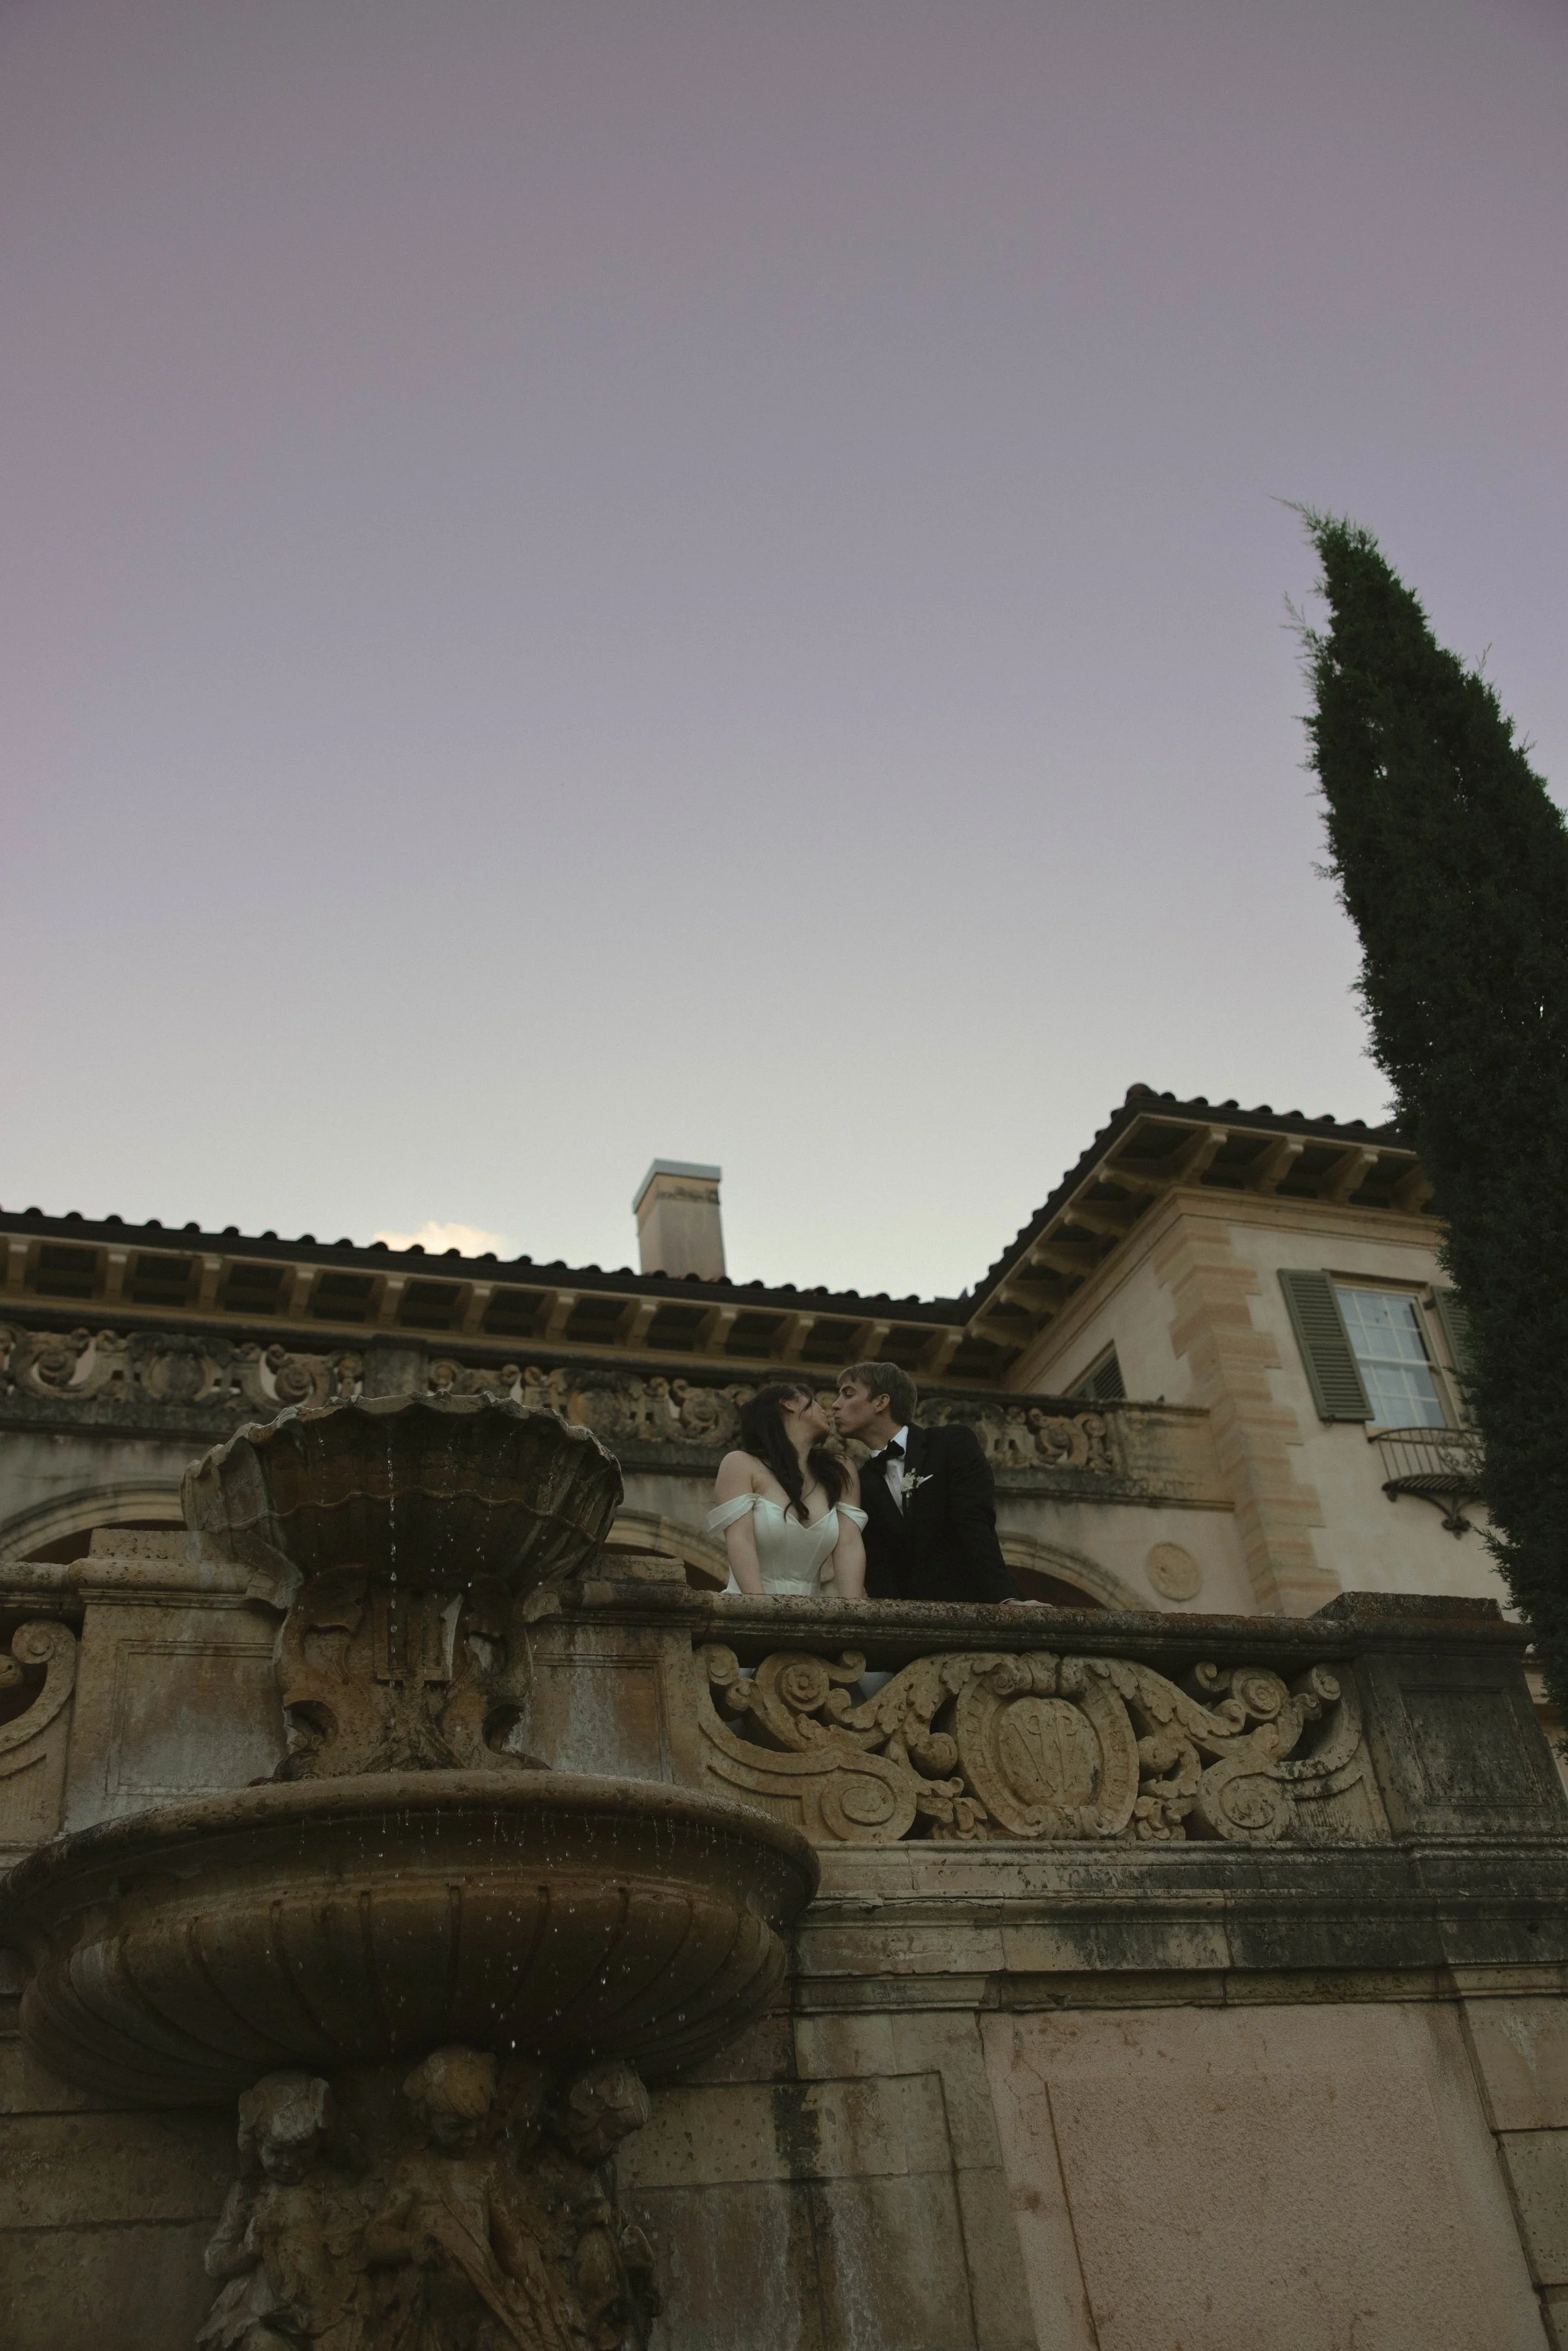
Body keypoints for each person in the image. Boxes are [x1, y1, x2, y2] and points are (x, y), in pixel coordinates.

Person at [832, 1359, 1026, 1605]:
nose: (835, 1405)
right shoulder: (861, 1482)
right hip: (914, 1627)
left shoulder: (950, 1444)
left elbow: (976, 1525)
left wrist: (1006, 1598)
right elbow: (879, 1569)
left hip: (976, 1607)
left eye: (848, 1394)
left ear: (881, 1402)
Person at [707, 1381, 867, 1600]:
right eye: (814, 1403)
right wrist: (761, 1612)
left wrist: (856, 1618)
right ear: (788, 1404)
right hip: (749, 1609)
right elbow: (740, 1539)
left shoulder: (840, 1471)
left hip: (811, 1615)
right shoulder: (741, 1464)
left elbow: (849, 1544)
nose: (826, 1409)